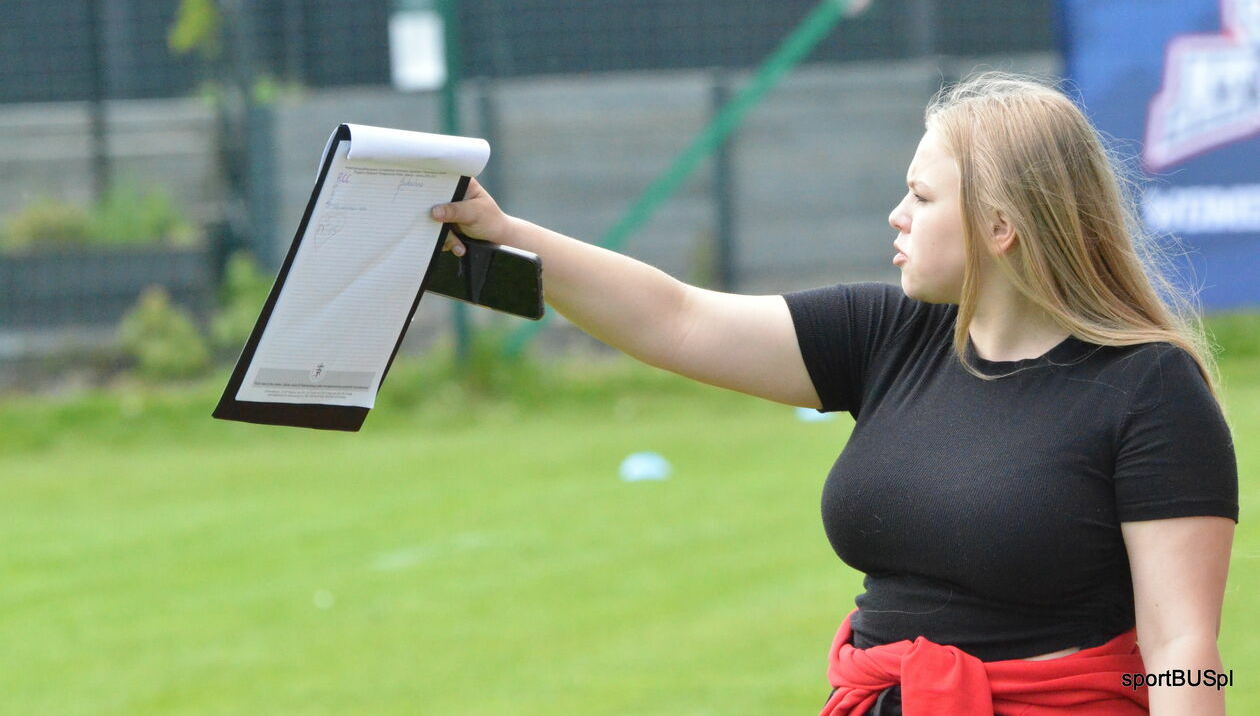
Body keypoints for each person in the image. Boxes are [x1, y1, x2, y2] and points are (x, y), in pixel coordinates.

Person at [428, 73, 1238, 715]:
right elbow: (675, 318)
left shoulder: (1150, 390)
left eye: (921, 198)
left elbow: (1177, 653)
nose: (896, 215)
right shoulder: (891, 333)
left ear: (1002, 226)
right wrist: (507, 234)